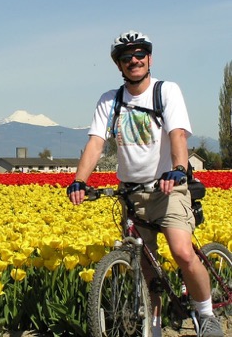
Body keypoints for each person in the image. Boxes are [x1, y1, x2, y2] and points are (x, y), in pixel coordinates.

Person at [67, 30, 223, 337]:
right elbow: (96, 143)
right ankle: (152, 326)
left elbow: (177, 133)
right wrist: (79, 180)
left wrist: (178, 168)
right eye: (127, 57)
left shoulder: (166, 91)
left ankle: (206, 315)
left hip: (167, 188)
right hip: (131, 194)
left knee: (181, 251)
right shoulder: (110, 101)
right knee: (146, 267)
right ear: (119, 65)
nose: (134, 60)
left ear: (149, 58)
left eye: (140, 54)